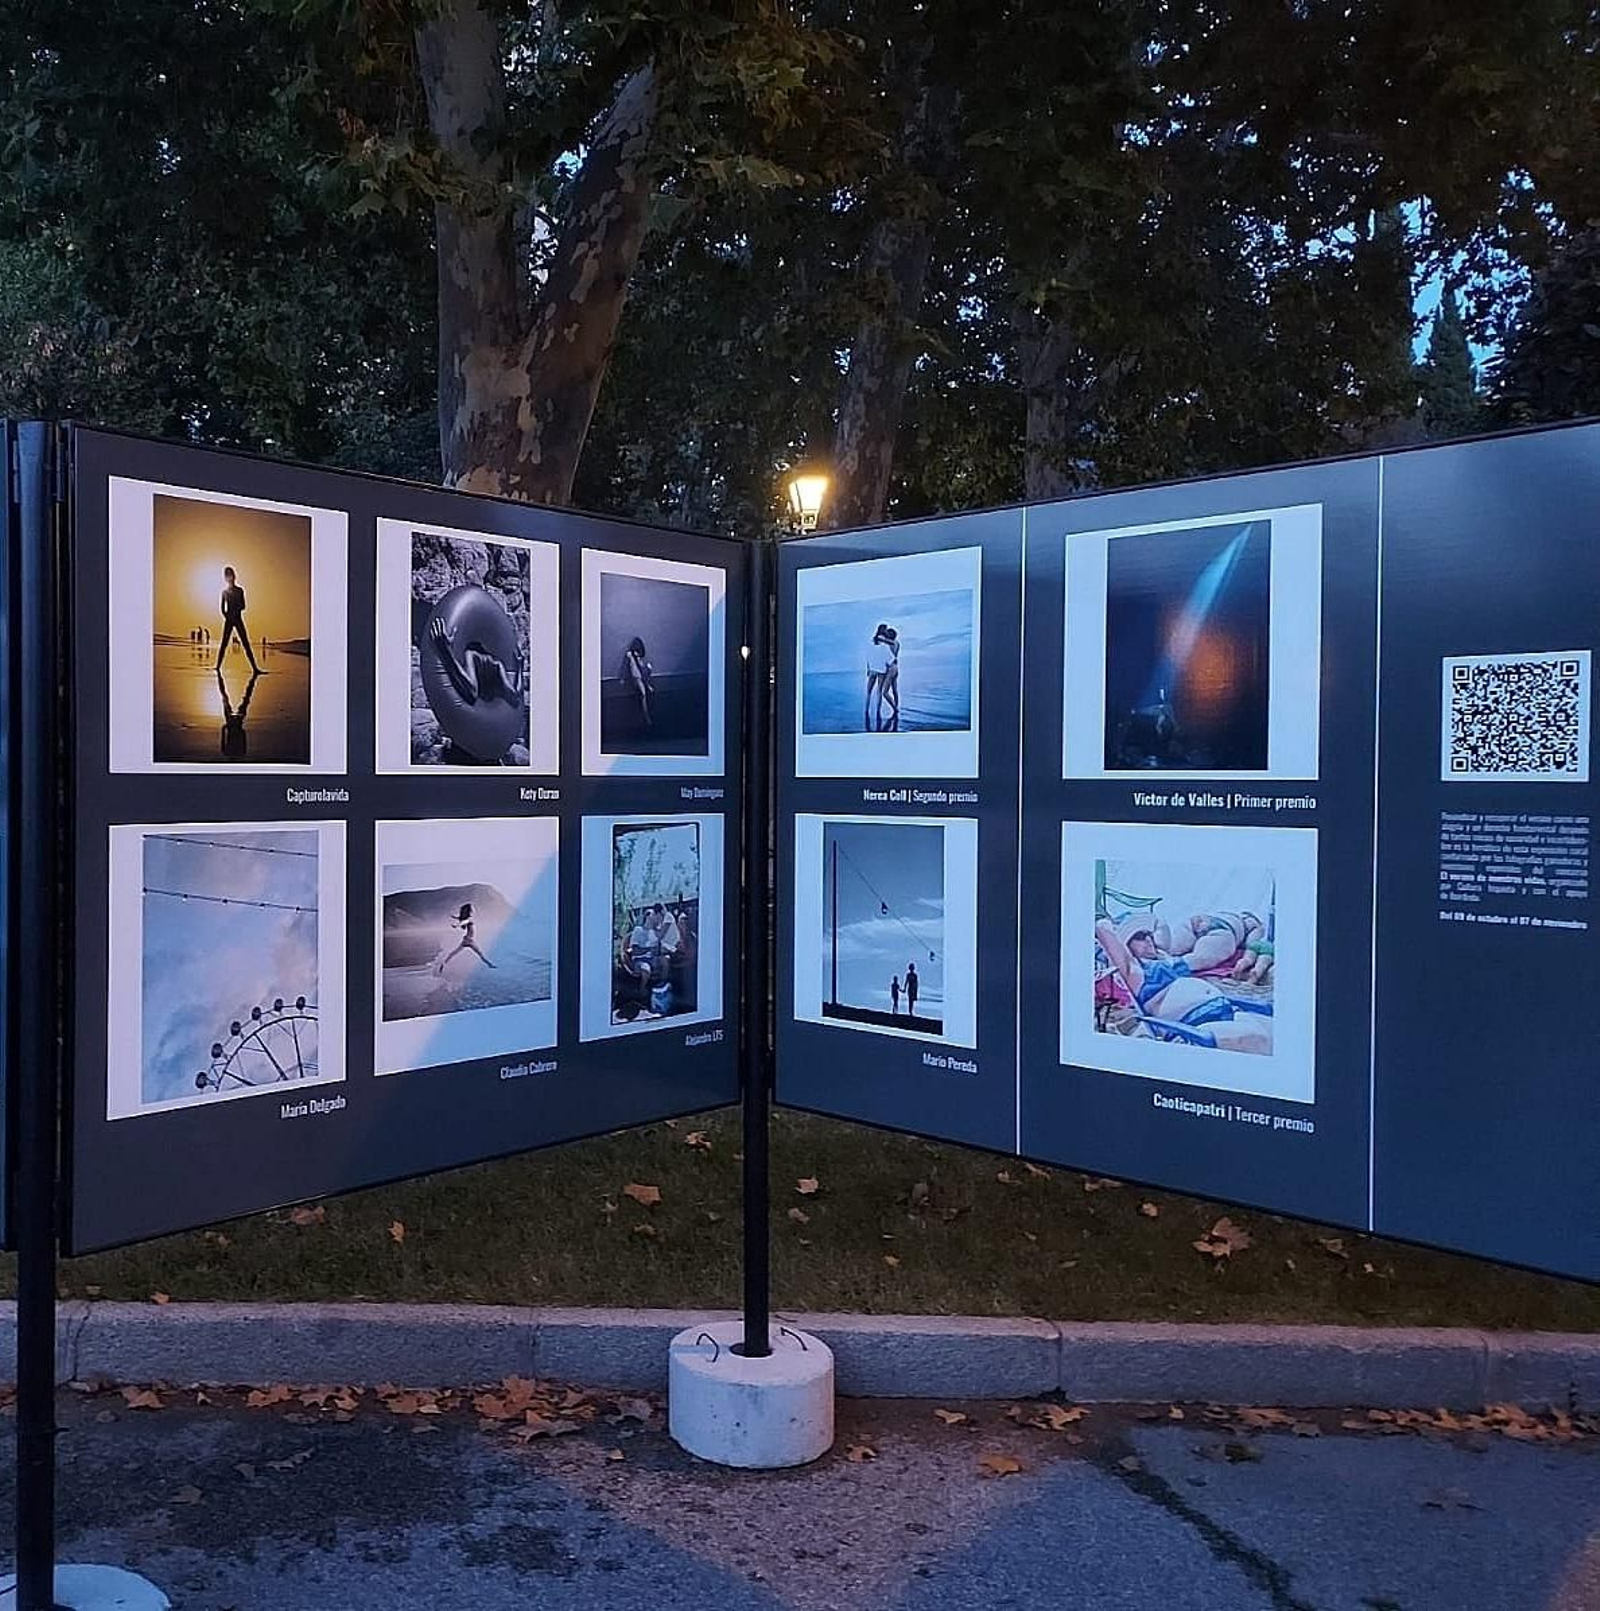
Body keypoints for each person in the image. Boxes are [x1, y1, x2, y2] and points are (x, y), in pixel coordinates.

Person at [1094, 915, 1270, 1053]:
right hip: (1198, 1028)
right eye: (1139, 937)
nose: (1148, 939)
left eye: (1149, 935)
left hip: (1227, 1011)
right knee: (1264, 1040)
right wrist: (1108, 925)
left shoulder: (1166, 960)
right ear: (1126, 946)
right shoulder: (1135, 973)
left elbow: (1163, 930)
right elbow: (1104, 932)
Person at [430, 616, 524, 708]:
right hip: (489, 715)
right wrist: (520, 666)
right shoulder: (497, 664)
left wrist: (446, 652)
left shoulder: (472, 655)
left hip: (475, 716)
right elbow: (515, 699)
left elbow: (472, 694)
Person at [215, 565, 263, 675]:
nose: (230, 578)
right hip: (230, 619)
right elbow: (222, 608)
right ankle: (217, 666)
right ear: (226, 578)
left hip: (238, 618)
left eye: (231, 575)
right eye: (228, 576)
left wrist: (235, 610)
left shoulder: (240, 590)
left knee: (245, 643)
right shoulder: (224, 592)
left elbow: (243, 606)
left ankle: (255, 668)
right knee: (224, 643)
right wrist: (227, 615)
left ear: (234, 577)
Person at [435, 902, 497, 976]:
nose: (473, 911)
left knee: (453, 953)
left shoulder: (465, 918)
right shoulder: (469, 919)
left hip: (465, 940)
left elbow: (461, 919)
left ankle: (444, 963)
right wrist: (457, 925)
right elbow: (464, 922)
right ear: (470, 911)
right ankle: (489, 964)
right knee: (480, 954)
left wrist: (455, 918)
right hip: (470, 941)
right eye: (472, 910)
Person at [217, 668, 259, 761]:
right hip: (235, 726)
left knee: (228, 700)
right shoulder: (237, 753)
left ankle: (219, 679)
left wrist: (224, 729)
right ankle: (219, 679)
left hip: (232, 725)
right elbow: (243, 742)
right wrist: (224, 729)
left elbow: (224, 741)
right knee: (236, 700)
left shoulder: (229, 753)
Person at [864, 624, 895, 730]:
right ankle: (877, 711)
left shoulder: (871, 643)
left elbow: (868, 657)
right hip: (881, 671)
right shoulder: (885, 645)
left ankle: (866, 710)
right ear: (884, 631)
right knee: (879, 692)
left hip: (872, 670)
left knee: (868, 692)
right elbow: (890, 660)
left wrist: (868, 669)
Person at [620, 637, 655, 730]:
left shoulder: (636, 657)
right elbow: (626, 666)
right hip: (637, 677)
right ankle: (647, 718)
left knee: (643, 694)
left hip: (638, 677)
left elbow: (640, 669)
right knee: (643, 694)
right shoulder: (631, 655)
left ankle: (646, 717)